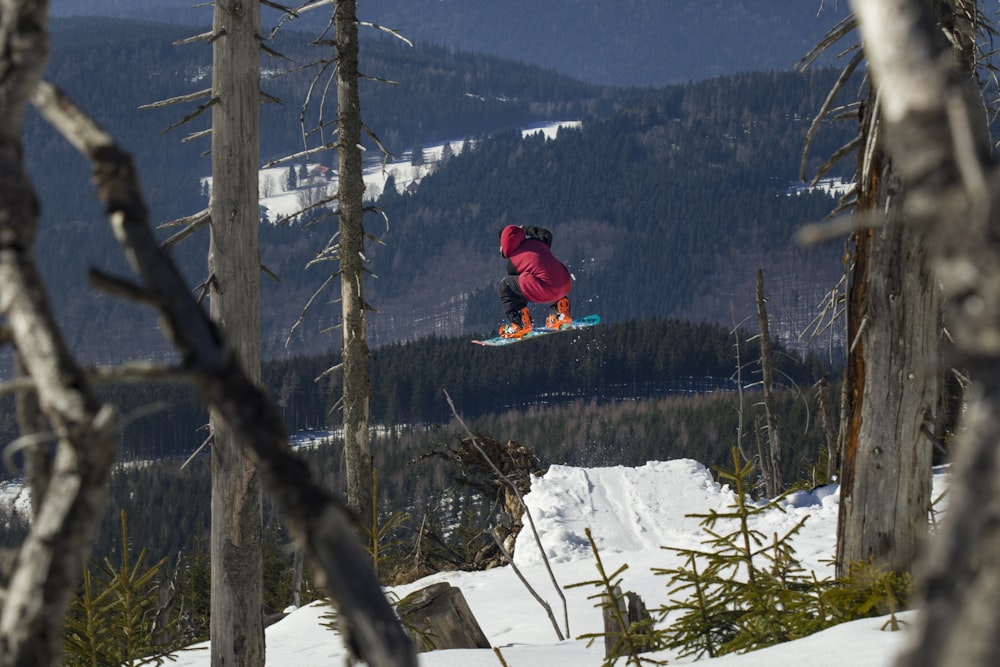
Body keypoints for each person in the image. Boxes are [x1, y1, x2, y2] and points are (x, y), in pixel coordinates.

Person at [497, 224, 573, 338]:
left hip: (547, 289)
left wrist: (520, 308)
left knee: (505, 285)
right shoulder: (537, 242)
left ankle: (520, 324)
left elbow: (518, 291)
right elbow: (547, 234)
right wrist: (525, 229)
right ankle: (561, 312)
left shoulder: (512, 262)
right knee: (546, 271)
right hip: (565, 282)